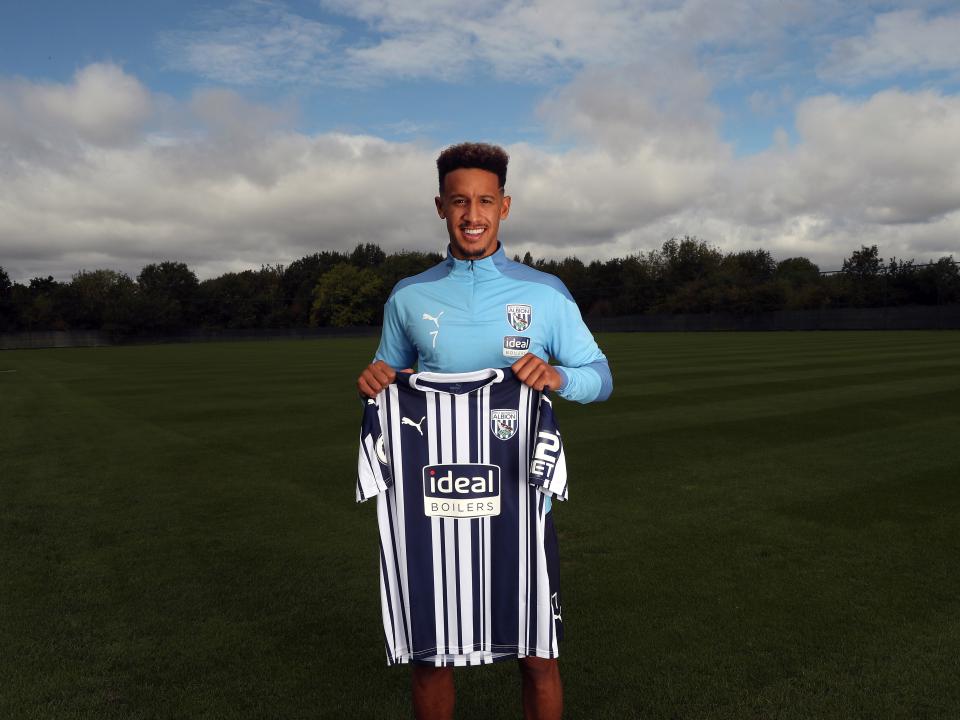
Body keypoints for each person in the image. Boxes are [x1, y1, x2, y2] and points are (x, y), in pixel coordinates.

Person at [357, 142, 612, 720]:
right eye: (459, 202)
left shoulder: (546, 293)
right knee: (431, 655)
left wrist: (557, 377)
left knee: (537, 653)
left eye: (485, 201)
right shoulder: (409, 295)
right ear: (441, 208)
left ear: (505, 206)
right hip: (435, 501)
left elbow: (601, 377)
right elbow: (391, 373)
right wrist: (377, 378)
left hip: (520, 498)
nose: (473, 215)